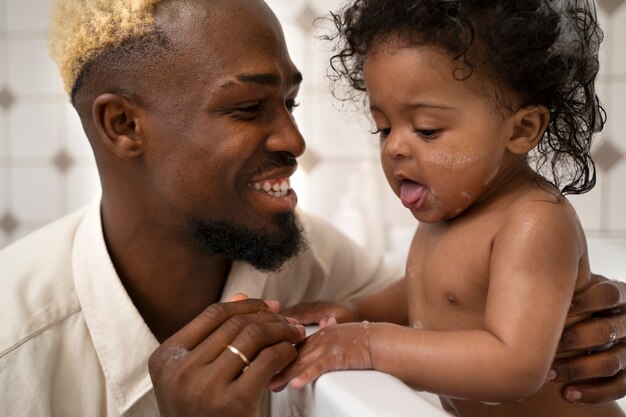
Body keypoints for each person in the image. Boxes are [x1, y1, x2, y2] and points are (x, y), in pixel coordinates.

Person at [0, 0, 624, 416]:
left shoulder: (317, 259)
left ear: (521, 130)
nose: (296, 142)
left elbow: (465, 321)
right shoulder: (15, 348)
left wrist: (599, 315)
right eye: (248, 108)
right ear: (122, 125)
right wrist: (360, 323)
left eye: (291, 106)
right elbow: (418, 297)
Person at [270, 1, 626, 416]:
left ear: (522, 129)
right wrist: (355, 311)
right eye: (384, 127)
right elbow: (431, 291)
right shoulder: (452, 208)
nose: (396, 146)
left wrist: (370, 342)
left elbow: (515, 366)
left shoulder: (533, 219)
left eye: (426, 129)